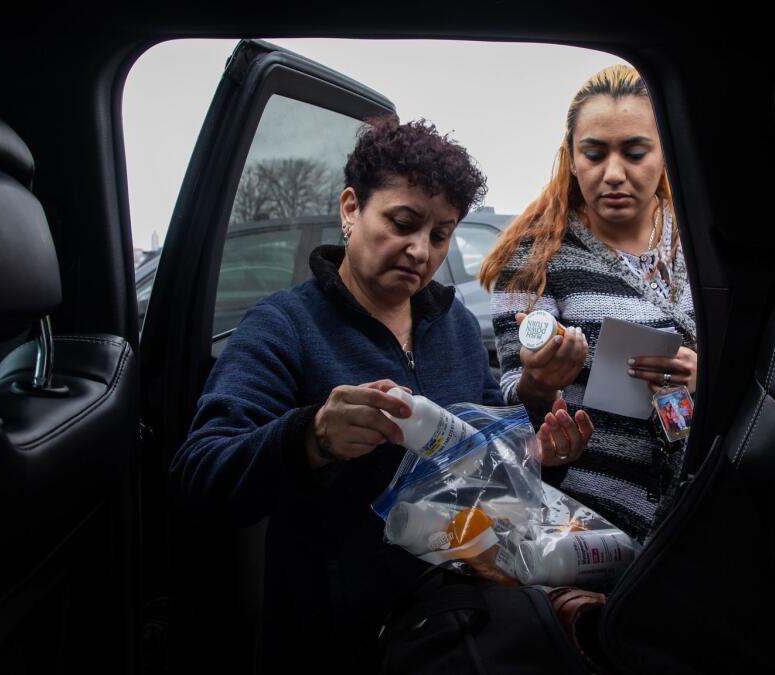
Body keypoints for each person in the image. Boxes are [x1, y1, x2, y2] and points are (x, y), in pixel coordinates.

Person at [169, 117, 590, 671]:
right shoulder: (285, 326)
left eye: (440, 235)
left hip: (465, 625)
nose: (420, 250)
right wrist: (311, 437)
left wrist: (538, 445)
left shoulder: (455, 324)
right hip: (344, 643)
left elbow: (487, 460)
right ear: (350, 210)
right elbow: (199, 476)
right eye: (403, 222)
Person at [479, 65, 698, 541]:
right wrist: (539, 381)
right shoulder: (536, 255)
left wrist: (705, 377)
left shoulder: (701, 243)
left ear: (664, 155)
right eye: (594, 154)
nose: (614, 174)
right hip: (593, 517)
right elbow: (515, 392)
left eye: (635, 152)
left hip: (703, 500)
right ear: (571, 159)